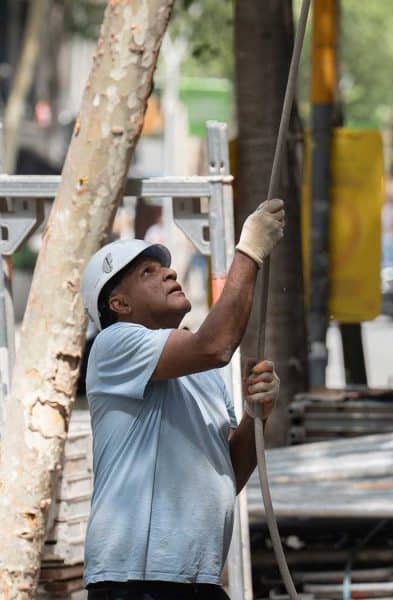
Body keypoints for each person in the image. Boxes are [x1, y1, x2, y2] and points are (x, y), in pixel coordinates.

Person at [78, 199, 285, 599]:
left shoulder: (202, 370)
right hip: (134, 579)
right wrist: (249, 253)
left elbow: (228, 474)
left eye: (164, 267)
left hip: (194, 578)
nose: (170, 272)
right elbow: (218, 344)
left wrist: (255, 416)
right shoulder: (114, 344)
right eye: (148, 273)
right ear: (120, 305)